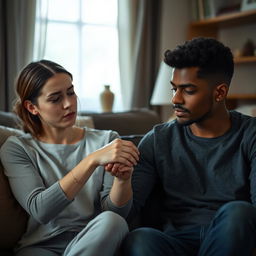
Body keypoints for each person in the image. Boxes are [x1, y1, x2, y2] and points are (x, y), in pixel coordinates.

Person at [121, 37, 256, 256]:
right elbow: (127, 211)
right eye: (174, 89)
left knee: (239, 213)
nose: (176, 99)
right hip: (175, 241)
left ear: (220, 93)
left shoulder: (251, 135)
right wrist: (120, 178)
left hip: (229, 235)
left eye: (188, 90)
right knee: (140, 238)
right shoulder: (157, 140)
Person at [0, 60, 139, 256]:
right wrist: (91, 161)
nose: (69, 104)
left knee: (113, 221)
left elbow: (116, 215)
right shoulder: (17, 148)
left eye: (71, 92)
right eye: (55, 98)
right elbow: (41, 210)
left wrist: (123, 180)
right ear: (32, 107)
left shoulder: (107, 141)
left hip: (95, 242)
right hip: (41, 248)